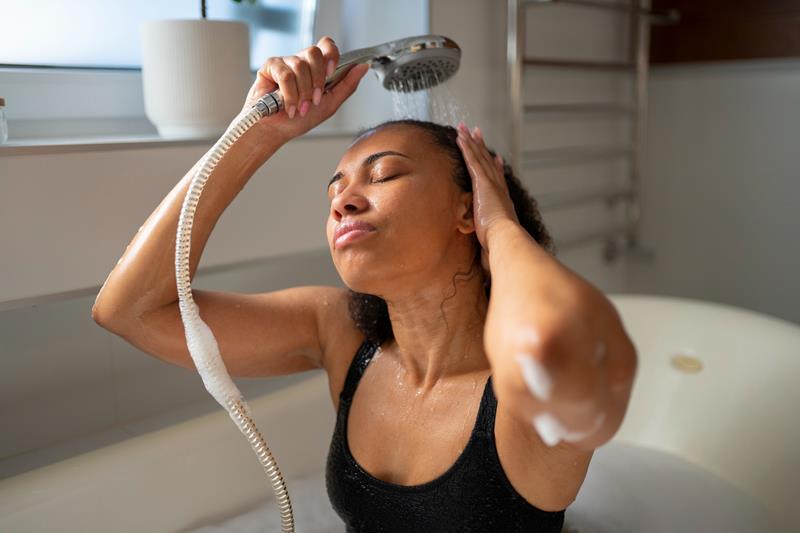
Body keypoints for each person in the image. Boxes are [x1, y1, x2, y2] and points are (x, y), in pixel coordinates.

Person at [92, 36, 637, 532]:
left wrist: (501, 226)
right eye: (335, 190)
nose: (343, 201)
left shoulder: (522, 392)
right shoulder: (342, 334)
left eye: (385, 175)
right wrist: (257, 135)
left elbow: (578, 341)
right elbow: (131, 311)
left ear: (466, 210)